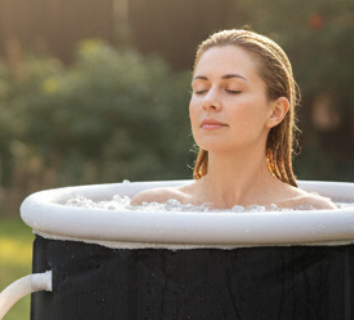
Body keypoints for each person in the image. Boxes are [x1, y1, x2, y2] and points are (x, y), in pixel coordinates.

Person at [131, 29, 334, 210]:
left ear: (275, 112)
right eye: (201, 90)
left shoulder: (310, 213)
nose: (208, 101)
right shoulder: (152, 207)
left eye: (232, 90)